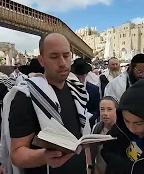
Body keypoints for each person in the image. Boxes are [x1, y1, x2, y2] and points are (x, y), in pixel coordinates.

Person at [7, 33, 91, 174]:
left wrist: (89, 167)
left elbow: (82, 138)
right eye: (54, 56)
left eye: (66, 55)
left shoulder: (77, 91)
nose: (63, 62)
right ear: (41, 60)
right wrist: (44, 157)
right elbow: (16, 154)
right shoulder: (26, 97)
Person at [90, 96, 118, 174]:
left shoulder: (121, 131)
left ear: (116, 110)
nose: (105, 113)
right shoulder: (96, 128)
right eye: (102, 109)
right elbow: (93, 152)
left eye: (109, 109)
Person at [72, 58, 101, 127]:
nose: (80, 79)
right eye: (78, 76)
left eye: (82, 76)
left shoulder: (93, 89)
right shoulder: (69, 87)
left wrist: (88, 116)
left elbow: (97, 110)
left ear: (87, 74)